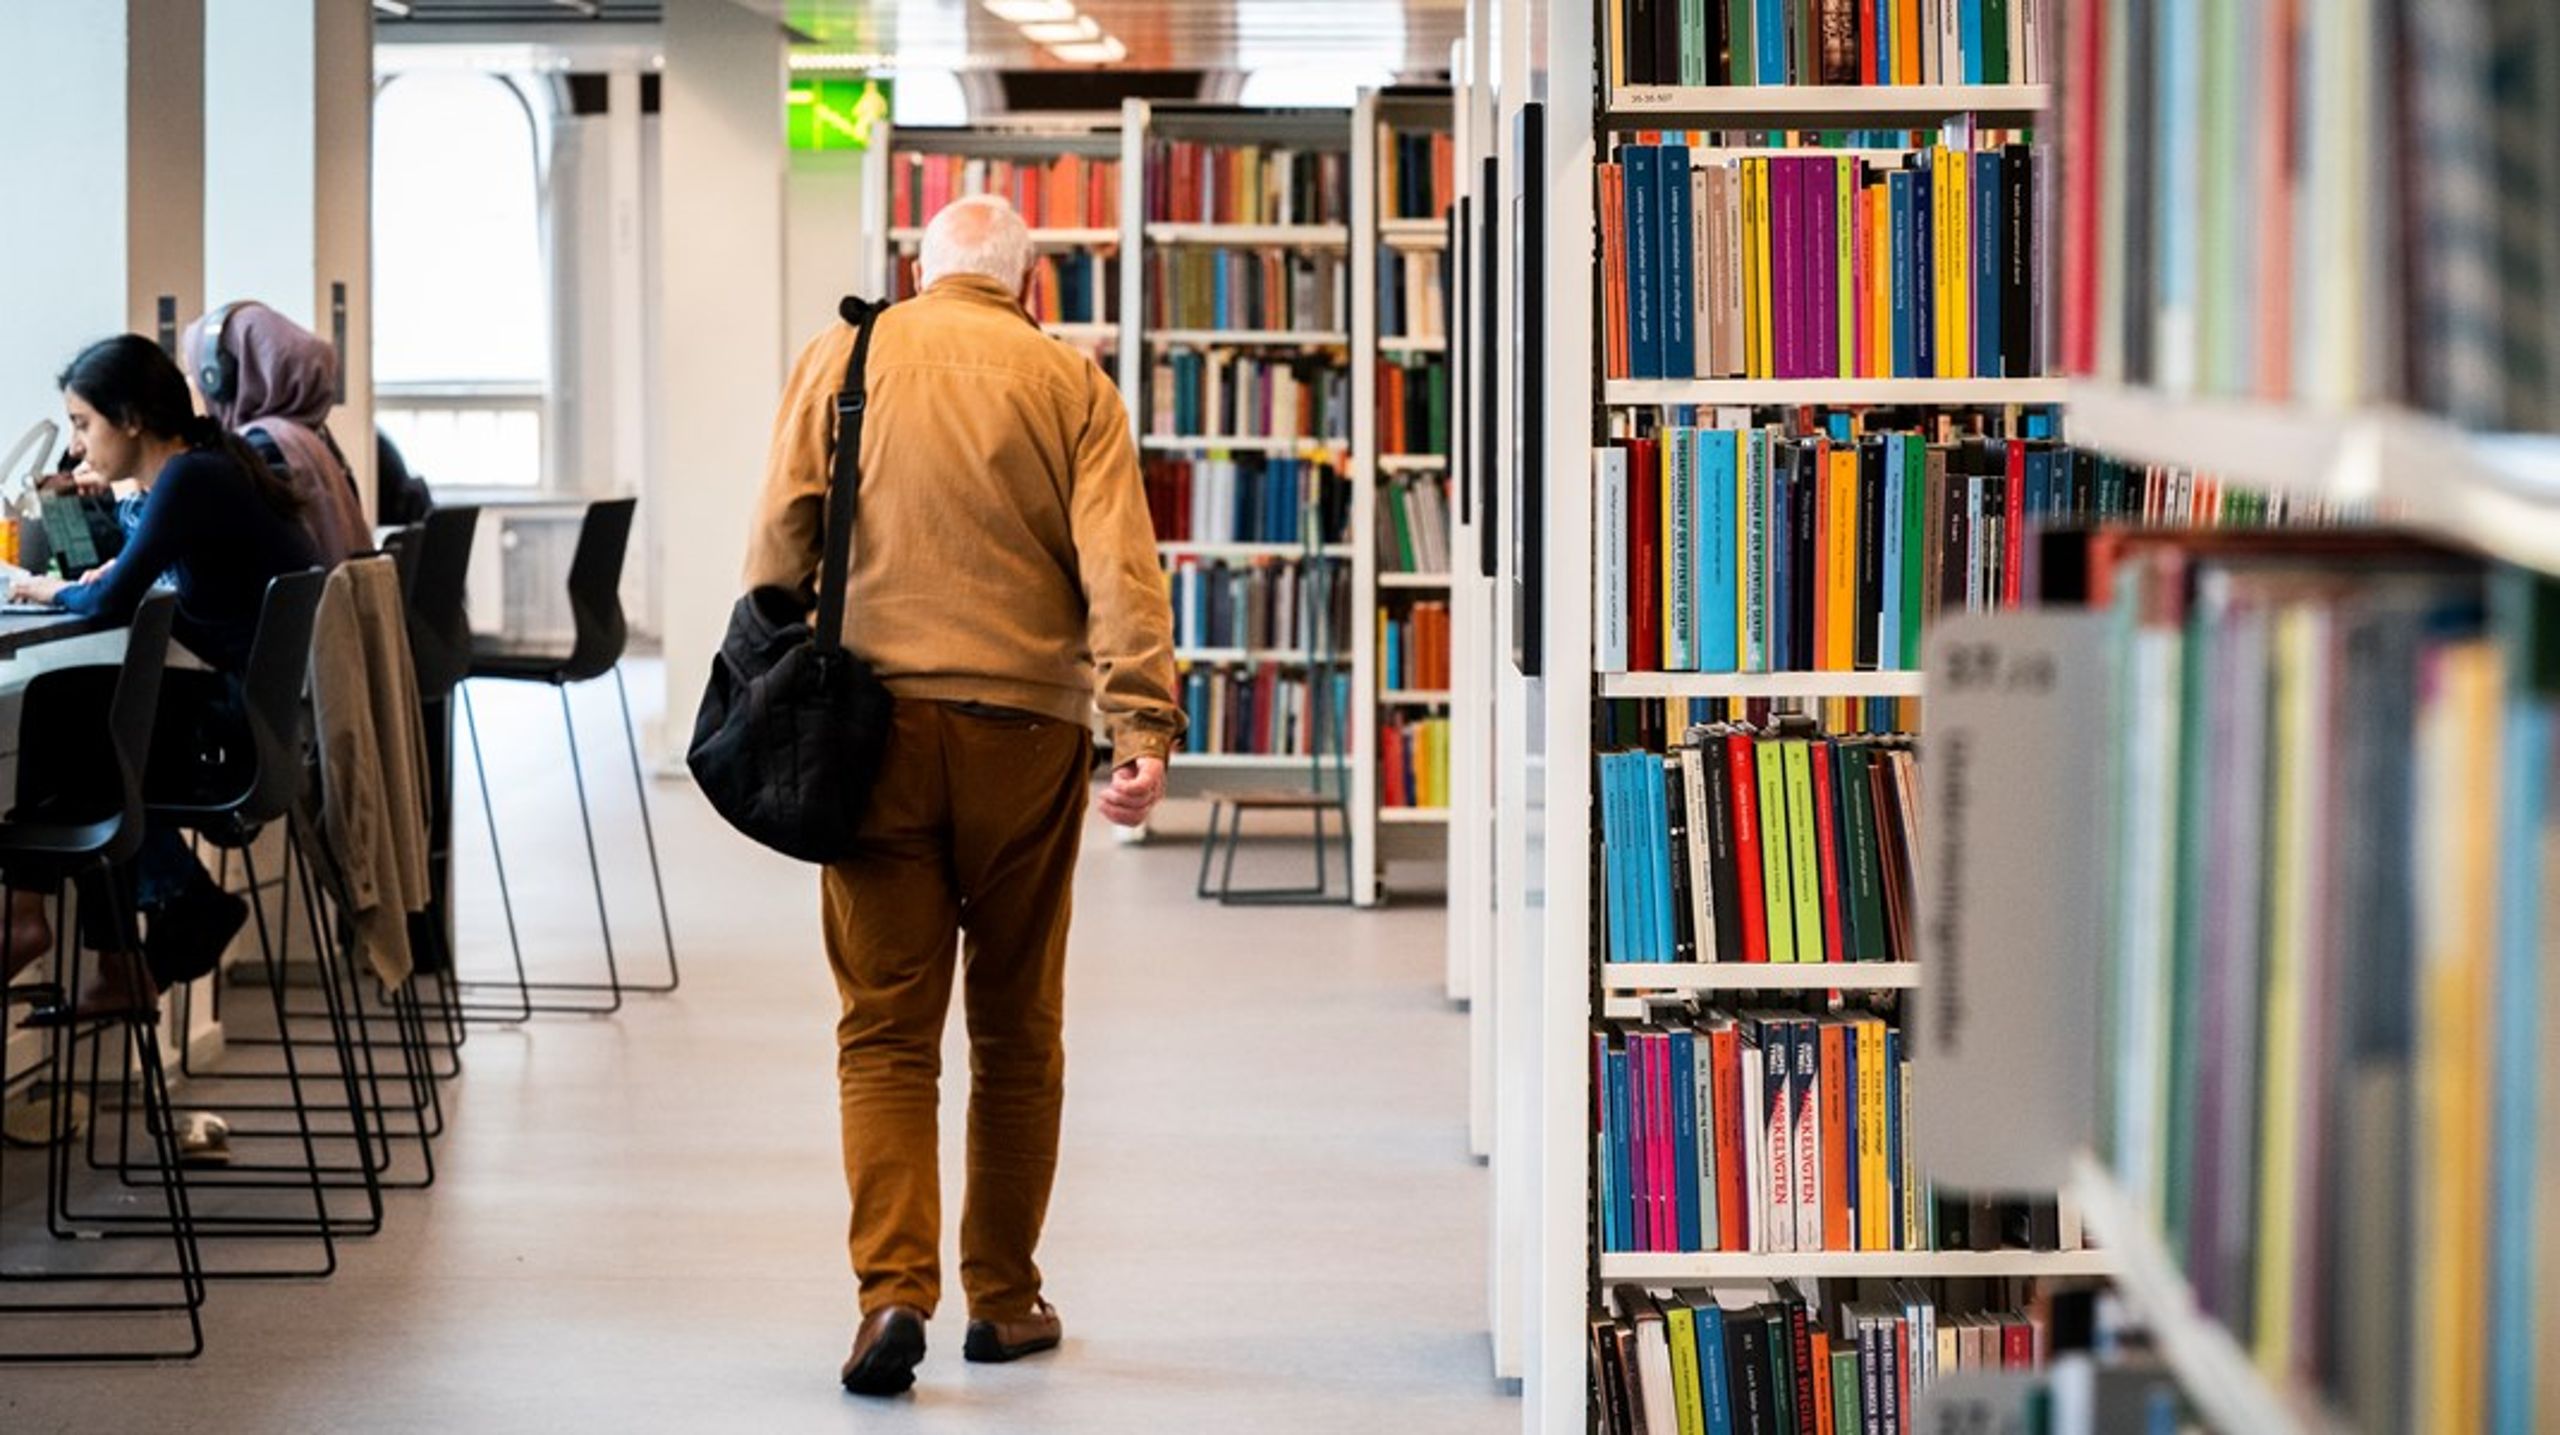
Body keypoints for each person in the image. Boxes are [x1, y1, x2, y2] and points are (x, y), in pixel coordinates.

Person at [740, 193, 1183, 1397]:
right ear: (1025, 283)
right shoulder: (1069, 382)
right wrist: (1138, 720)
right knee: (1015, 1026)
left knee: (884, 1029)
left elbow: (778, 546)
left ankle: (891, 1293)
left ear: (919, 270)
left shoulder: (846, 354)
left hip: (868, 731)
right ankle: (1003, 1295)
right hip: (1026, 736)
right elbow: (1120, 569)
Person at [5, 334, 321, 1018]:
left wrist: (38, 587)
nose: (79, 443)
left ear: (130, 418)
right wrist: (106, 562)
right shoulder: (207, 469)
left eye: (83, 423)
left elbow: (114, 603)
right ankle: (134, 940)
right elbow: (171, 587)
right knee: (91, 722)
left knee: (69, 712)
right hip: (263, 722)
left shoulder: (192, 477)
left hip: (237, 734)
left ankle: (39, 914)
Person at [181, 300, 372, 565]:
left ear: (221, 382)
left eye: (196, 376)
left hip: (314, 605)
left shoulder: (260, 447)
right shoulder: (309, 437)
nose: (194, 386)